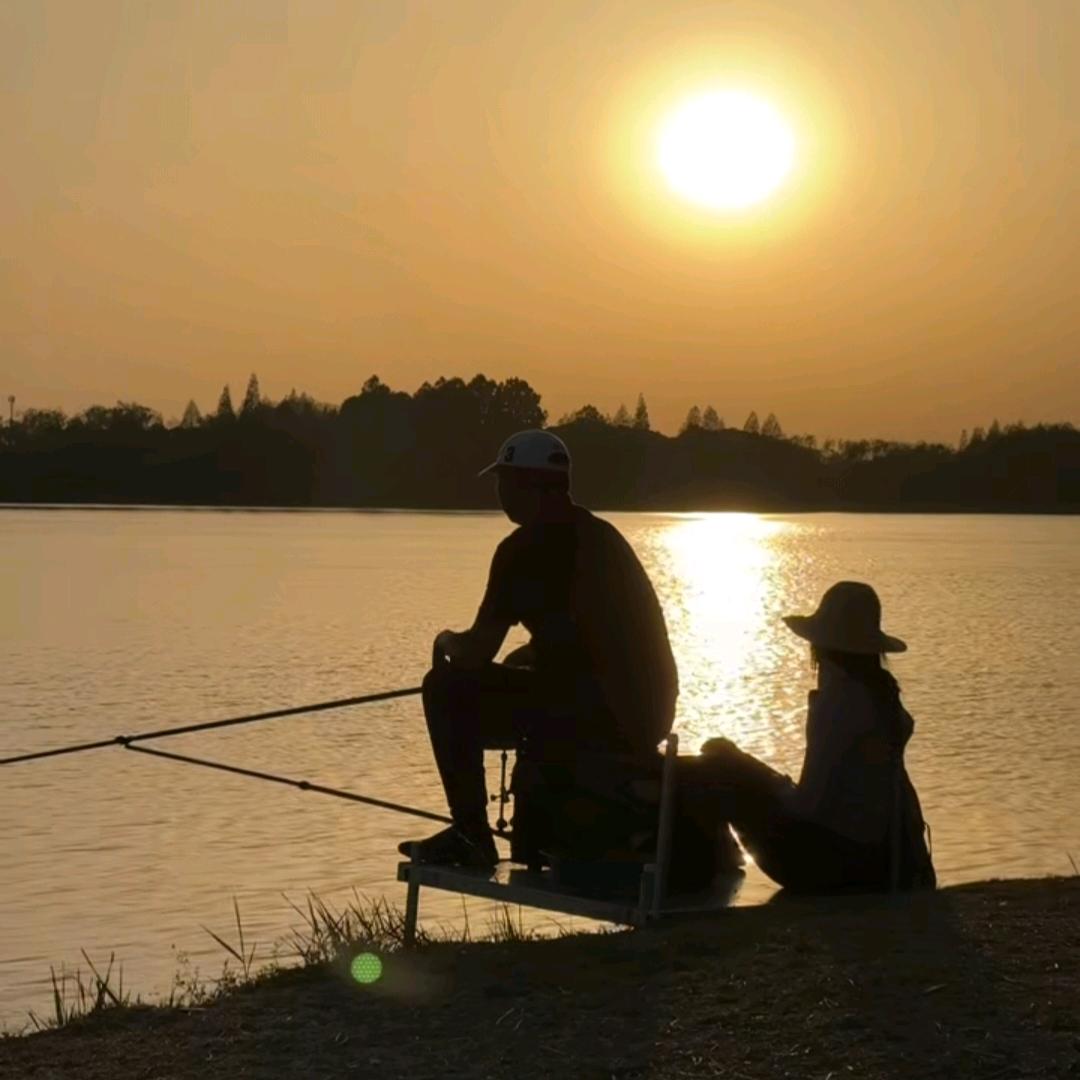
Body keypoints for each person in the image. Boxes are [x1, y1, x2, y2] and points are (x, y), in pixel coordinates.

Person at [399, 429, 678, 869]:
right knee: (527, 687)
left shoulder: (519, 550)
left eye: (502, 482)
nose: (499, 493)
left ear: (521, 485)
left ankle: (472, 836)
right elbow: (591, 631)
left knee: (444, 689)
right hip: (651, 713)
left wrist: (445, 640)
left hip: (593, 714)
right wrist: (533, 654)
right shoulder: (603, 538)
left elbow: (477, 653)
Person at [682, 581, 935, 893]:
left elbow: (809, 805)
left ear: (820, 646)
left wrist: (766, 782)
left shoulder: (840, 702)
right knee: (729, 760)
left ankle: (700, 880)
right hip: (885, 860)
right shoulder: (881, 697)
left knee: (719, 769)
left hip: (844, 866)